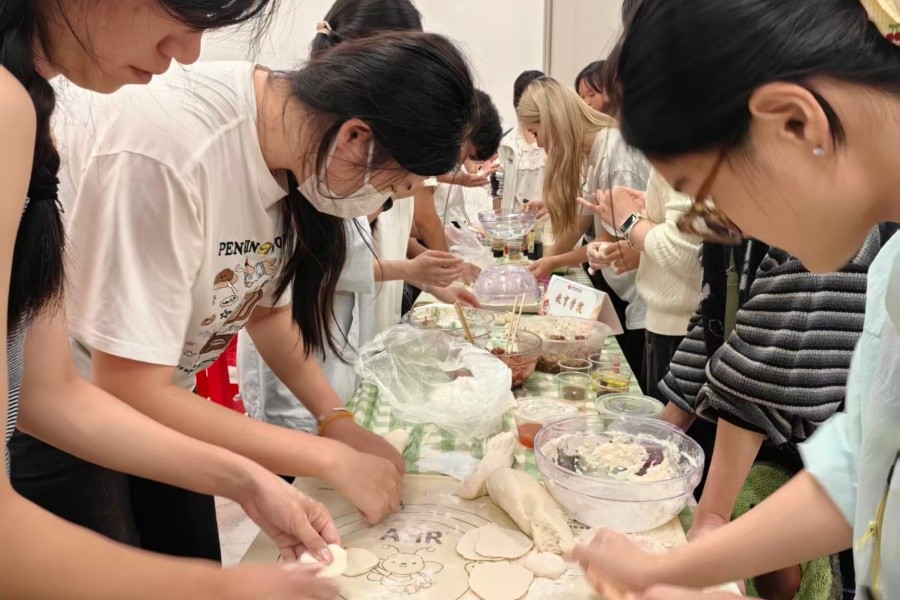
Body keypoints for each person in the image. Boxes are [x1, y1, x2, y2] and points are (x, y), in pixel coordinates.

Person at [20, 32, 475, 565]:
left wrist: (337, 422)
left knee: (191, 563)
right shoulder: (173, 152)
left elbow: (266, 312)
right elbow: (128, 385)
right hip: (71, 412)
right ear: (356, 137)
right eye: (392, 187)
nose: (382, 204)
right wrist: (324, 458)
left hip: (166, 397)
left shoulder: (293, 156)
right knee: (129, 576)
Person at [1, 1, 347, 598]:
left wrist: (248, 481)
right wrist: (219, 590)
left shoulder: (30, 114)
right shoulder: (13, 110)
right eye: (184, 13)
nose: (187, 53)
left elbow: (49, 395)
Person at [569, 1, 900, 598]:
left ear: (794, 124)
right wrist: (662, 570)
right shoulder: (890, 268)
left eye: (707, 196)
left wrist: (707, 527)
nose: (724, 229)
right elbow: (863, 467)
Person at [517, 77, 650, 377]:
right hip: (627, 291)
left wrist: (552, 262)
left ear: (553, 120)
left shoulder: (614, 153)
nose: (539, 143)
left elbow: (607, 244)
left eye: (536, 132)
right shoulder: (596, 153)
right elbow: (578, 225)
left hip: (644, 299)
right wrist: (546, 263)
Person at [495, 70, 547, 212]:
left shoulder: (557, 139)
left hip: (549, 218)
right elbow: (498, 187)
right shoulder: (507, 143)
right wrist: (500, 221)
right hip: (515, 220)